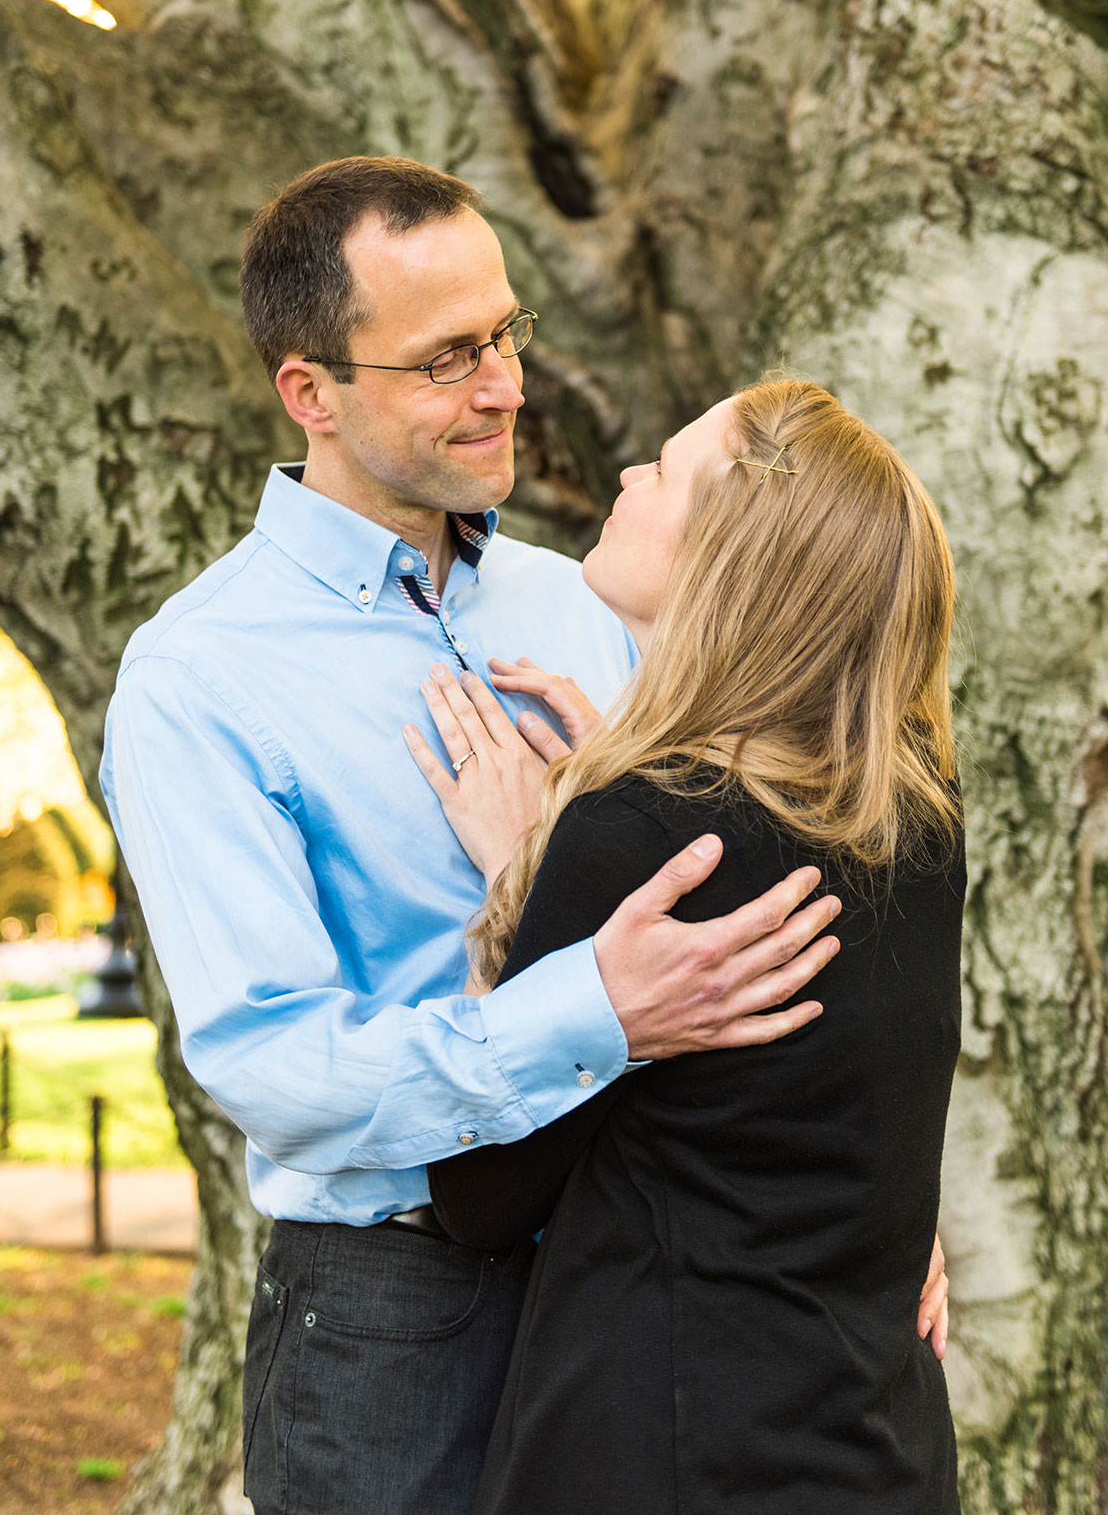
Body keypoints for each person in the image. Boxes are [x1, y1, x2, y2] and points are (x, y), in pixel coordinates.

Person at [101, 158, 908, 1515]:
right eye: (444, 359)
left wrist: (875, 1218)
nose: (503, 386)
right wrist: (584, 1009)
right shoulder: (199, 674)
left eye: (504, 335)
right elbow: (271, 1060)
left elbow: (739, 889)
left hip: (637, 1280)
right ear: (312, 393)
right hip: (398, 1312)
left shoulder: (580, 599)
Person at [421, 377, 966, 1513]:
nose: (624, 475)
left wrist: (526, 868)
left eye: (662, 471)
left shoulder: (638, 834)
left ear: (729, 553)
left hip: (666, 1452)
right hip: (872, 1439)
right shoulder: (909, 818)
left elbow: (477, 1197)